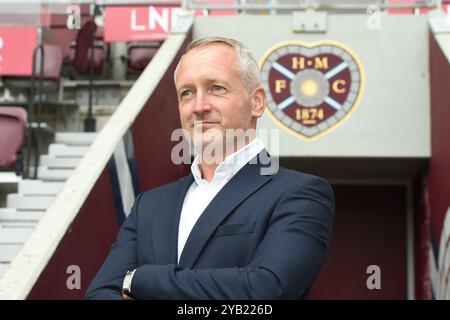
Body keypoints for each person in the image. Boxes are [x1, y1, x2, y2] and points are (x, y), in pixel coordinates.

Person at [85, 37, 334, 300]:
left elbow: (265, 290)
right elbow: (99, 294)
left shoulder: (299, 193)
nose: (199, 106)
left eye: (216, 88)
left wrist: (140, 278)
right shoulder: (149, 205)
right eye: (187, 93)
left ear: (257, 102)